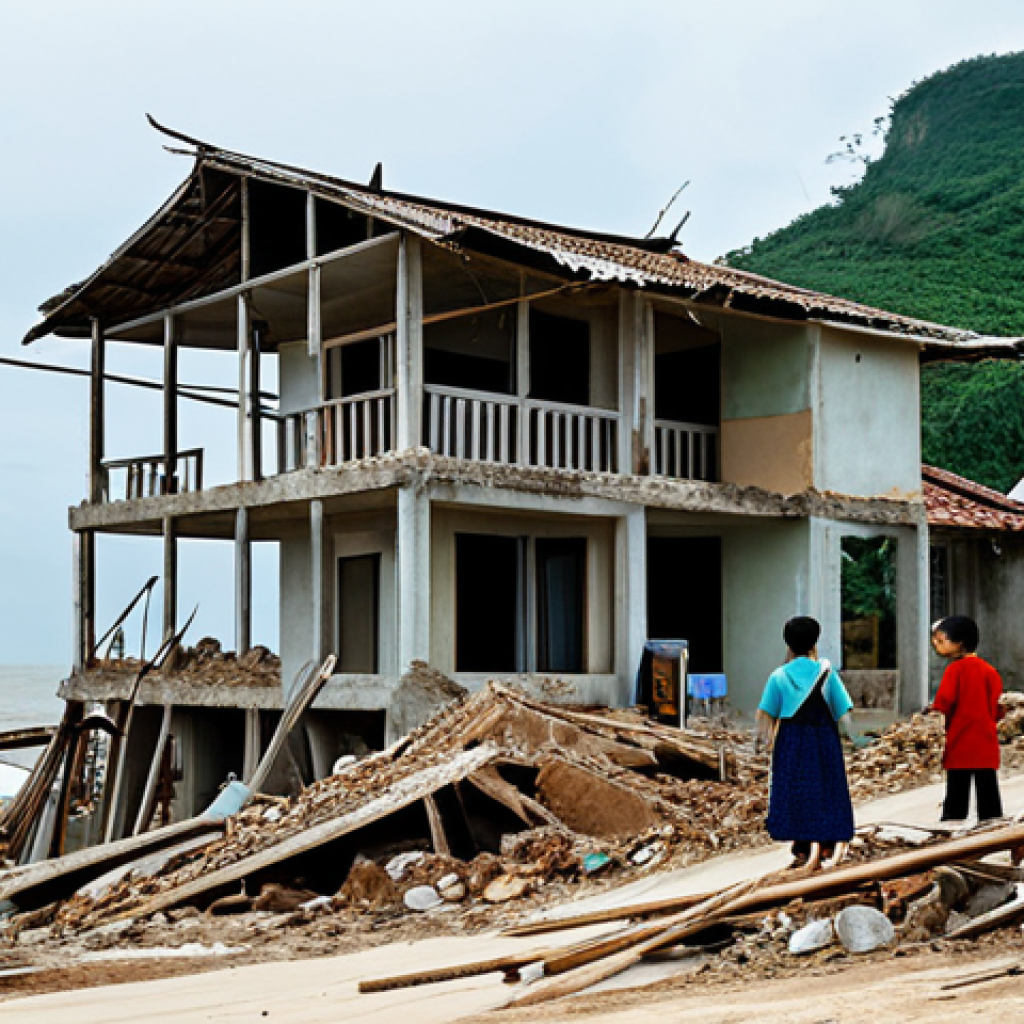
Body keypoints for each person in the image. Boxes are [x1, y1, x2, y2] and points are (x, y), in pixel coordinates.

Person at [757, 616, 868, 869]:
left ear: (787, 642)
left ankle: (802, 846)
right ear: (815, 641)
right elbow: (843, 714)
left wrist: (762, 743)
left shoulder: (779, 676)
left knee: (796, 790)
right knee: (827, 787)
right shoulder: (827, 673)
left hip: (791, 740)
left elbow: (765, 716)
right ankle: (827, 843)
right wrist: (854, 739)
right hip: (823, 738)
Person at [926, 615, 1003, 824]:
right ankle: (993, 825)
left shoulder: (954, 671)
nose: (936, 644)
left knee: (957, 789)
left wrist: (933, 714)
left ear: (958, 643)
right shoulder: (990, 671)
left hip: (961, 738)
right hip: (985, 739)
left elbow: (945, 701)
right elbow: (997, 707)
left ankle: (952, 822)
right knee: (987, 787)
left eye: (941, 640)